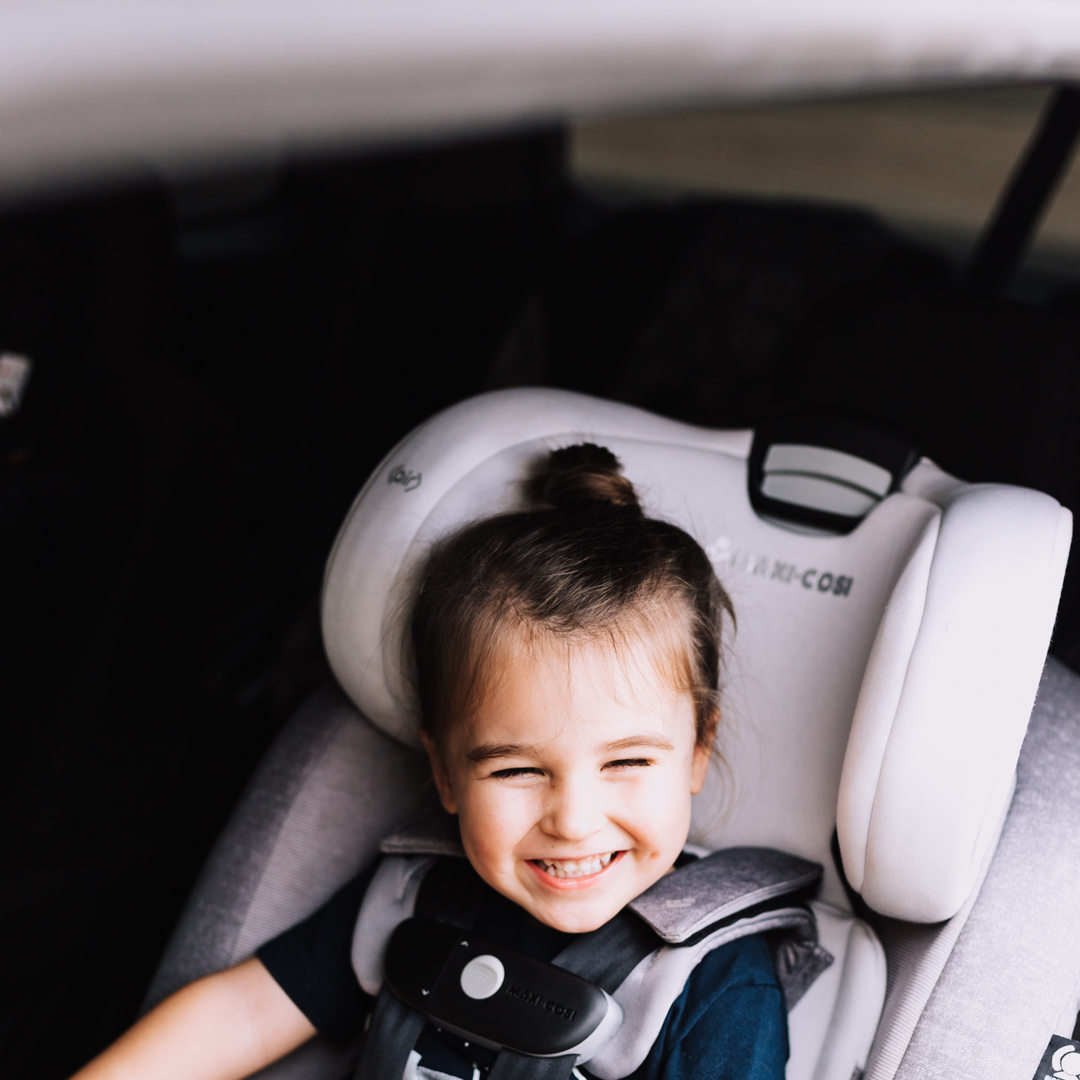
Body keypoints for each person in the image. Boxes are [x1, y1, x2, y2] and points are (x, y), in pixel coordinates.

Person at [72, 443, 788, 1080]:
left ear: (698, 754)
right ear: (445, 774)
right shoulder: (414, 897)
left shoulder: (713, 981)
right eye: (515, 770)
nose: (572, 820)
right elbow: (246, 1016)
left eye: (626, 762)